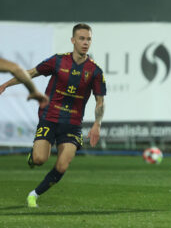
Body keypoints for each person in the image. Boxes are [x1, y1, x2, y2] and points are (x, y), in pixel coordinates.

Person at [0, 23, 106, 208]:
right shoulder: (58, 61)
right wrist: (6, 85)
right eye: (81, 38)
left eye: (88, 39)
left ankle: (34, 195)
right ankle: (33, 158)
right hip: (50, 117)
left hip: (72, 124)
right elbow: (31, 73)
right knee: (40, 159)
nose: (85, 43)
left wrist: (97, 124)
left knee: (63, 165)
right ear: (73, 40)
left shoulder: (95, 71)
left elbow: (100, 102)